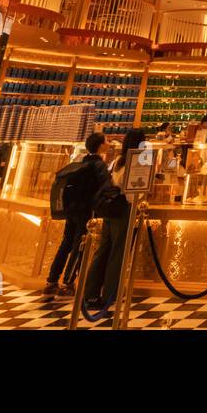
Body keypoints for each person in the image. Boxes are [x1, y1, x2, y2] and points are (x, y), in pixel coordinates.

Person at [82, 128, 147, 315]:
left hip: (110, 209)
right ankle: (111, 294)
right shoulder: (137, 161)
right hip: (124, 209)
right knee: (118, 253)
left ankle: (90, 293)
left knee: (103, 251)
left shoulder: (119, 160)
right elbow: (134, 192)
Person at [43, 132, 110, 295]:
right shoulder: (99, 165)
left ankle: (52, 281)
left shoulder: (81, 162)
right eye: (106, 141)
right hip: (85, 210)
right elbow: (106, 186)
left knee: (66, 243)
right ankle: (68, 283)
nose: (108, 143)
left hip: (71, 209)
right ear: (100, 145)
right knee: (79, 246)